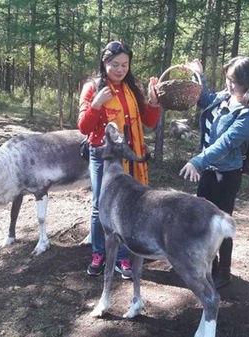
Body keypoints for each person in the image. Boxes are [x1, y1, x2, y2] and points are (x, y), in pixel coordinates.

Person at [180, 56, 249, 289]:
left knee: (221, 222)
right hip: (209, 169)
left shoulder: (248, 115)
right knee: (202, 218)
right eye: (228, 79)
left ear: (248, 83)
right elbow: (204, 100)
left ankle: (224, 271)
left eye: (234, 81)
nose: (230, 85)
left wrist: (197, 161)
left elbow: (225, 144)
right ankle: (209, 264)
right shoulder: (225, 96)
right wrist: (199, 75)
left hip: (226, 175)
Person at [78, 41, 161, 279]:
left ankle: (123, 257)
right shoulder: (92, 88)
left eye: (124, 64)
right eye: (115, 65)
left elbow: (149, 120)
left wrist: (154, 104)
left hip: (130, 155)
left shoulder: (132, 86)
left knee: (127, 206)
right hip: (103, 156)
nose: (120, 69)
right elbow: (84, 128)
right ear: (104, 64)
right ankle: (99, 253)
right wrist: (95, 105)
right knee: (99, 206)